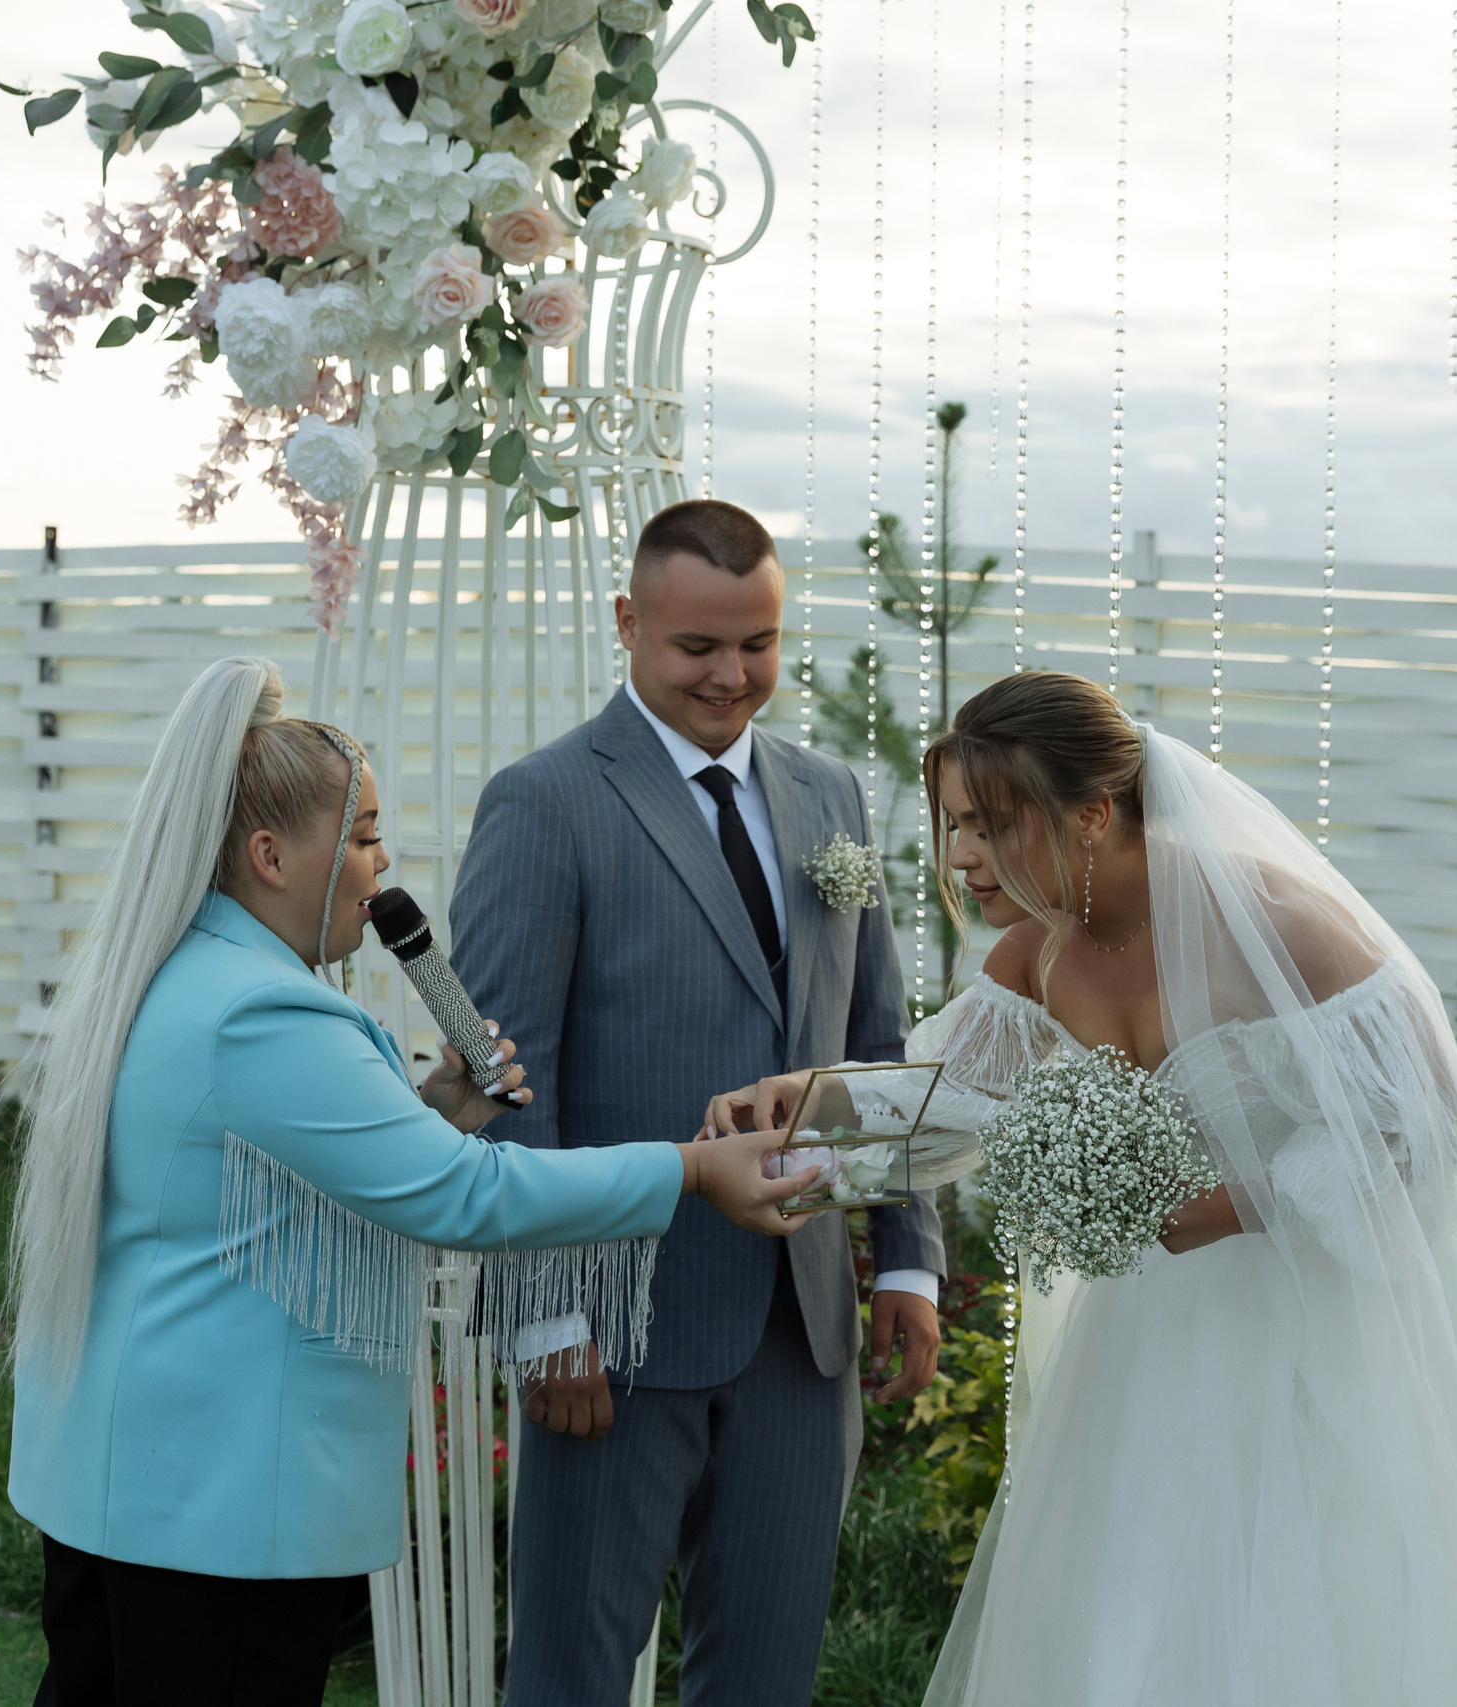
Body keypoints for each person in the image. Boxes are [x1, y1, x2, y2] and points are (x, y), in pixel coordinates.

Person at [710, 671, 1457, 1706]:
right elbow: (948, 1108)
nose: (959, 858)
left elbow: (1426, 1138)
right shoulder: (1034, 950)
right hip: (1150, 1350)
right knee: (1136, 1617)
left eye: (989, 824)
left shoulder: (1285, 929)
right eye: (951, 825)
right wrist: (794, 1115)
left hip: (1318, 1340)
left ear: (1093, 814)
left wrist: (1238, 1204)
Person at [3, 656, 824, 1707]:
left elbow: (269, 1179)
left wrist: (435, 1110)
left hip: (124, 1483)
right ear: (267, 855)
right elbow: (462, 1198)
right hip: (213, 1504)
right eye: (361, 835)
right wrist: (693, 1169)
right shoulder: (268, 1012)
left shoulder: (180, 973)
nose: (383, 868)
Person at [452, 499, 947, 1707]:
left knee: (767, 1677)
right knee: (570, 1675)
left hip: (802, 1331)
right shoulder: (545, 801)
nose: (733, 677)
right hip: (615, 1329)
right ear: (627, 623)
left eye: (759, 645)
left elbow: (873, 1040)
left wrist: (904, 1265)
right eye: (698, 648)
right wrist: (545, 1316)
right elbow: (510, 1081)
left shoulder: (832, 797)